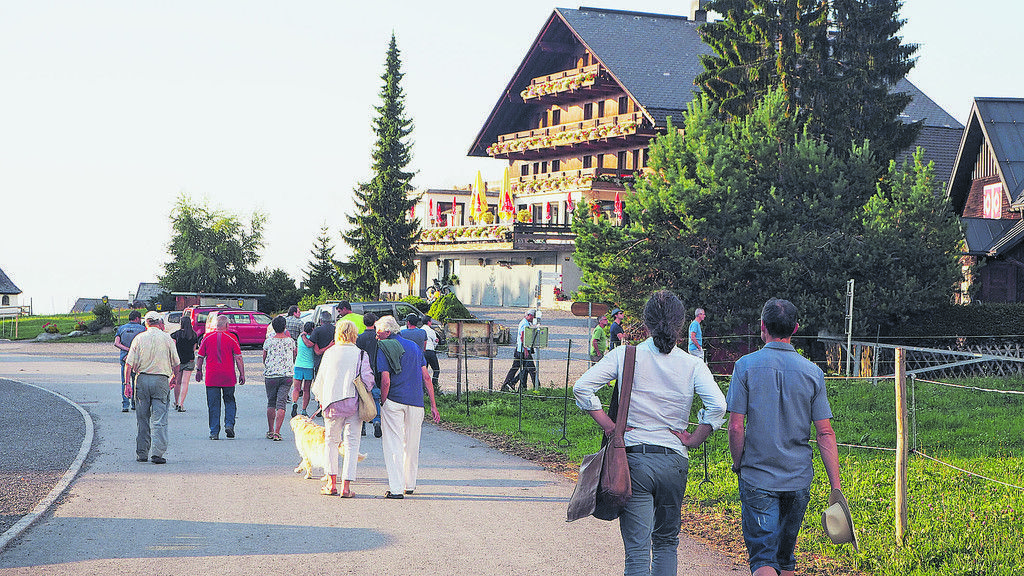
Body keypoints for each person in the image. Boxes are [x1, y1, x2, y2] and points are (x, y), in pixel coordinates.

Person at [574, 290, 726, 576]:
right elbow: (718, 405)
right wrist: (695, 438)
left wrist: (611, 426)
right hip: (674, 462)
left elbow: (582, 388)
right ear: (681, 327)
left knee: (638, 551)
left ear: (644, 326)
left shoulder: (625, 355)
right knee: (667, 543)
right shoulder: (692, 364)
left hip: (634, 462)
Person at [727, 298, 843, 576]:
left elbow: (735, 427)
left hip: (758, 476)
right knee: (785, 558)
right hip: (798, 478)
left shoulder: (744, 366)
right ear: (796, 328)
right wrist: (835, 487)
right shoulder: (813, 372)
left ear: (762, 327)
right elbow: (825, 432)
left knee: (763, 559)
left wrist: (738, 462)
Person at [375, 315, 440, 499]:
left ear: (387, 332)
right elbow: (426, 377)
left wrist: (383, 400)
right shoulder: (414, 346)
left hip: (395, 399)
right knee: (411, 444)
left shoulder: (385, 347)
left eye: (379, 331)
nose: (377, 334)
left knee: (393, 443)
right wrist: (433, 405)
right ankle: (409, 484)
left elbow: (385, 380)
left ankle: (395, 488)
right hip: (416, 401)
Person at [311, 320, 374, 497]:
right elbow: (368, 380)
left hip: (331, 404)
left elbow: (320, 380)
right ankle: (346, 487)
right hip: (353, 403)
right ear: (354, 334)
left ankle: (331, 484)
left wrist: (321, 399)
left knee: (331, 442)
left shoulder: (329, 353)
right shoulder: (361, 354)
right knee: (352, 443)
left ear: (337, 333)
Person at [124, 311, 181, 464]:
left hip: (142, 379)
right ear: (159, 323)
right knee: (159, 418)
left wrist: (127, 384)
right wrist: (174, 377)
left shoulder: (139, 338)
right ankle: (157, 453)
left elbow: (129, 364)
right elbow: (176, 363)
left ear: (146, 323)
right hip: (161, 380)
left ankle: (142, 453)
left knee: (142, 418)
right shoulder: (167, 338)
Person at [196, 314, 245, 440]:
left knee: (213, 404)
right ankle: (229, 424)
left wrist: (198, 370)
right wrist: (242, 374)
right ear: (227, 325)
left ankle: (214, 431)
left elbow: (200, 357)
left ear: (216, 326)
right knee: (229, 400)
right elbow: (238, 358)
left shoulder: (207, 337)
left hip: (212, 377)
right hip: (228, 377)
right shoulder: (232, 338)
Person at [263, 315, 296, 441]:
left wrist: (268, 365)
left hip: (271, 375)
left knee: (271, 402)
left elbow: (264, 356)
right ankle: (277, 432)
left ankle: (270, 430)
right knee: (281, 403)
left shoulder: (269, 341)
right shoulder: (290, 341)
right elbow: (294, 354)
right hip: (286, 374)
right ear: (284, 327)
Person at [114, 310, 147, 412]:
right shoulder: (142, 329)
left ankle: (125, 405)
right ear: (137, 318)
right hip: (137, 359)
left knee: (125, 381)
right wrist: (132, 351)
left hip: (124, 357)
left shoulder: (122, 328)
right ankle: (134, 404)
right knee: (136, 382)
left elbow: (116, 343)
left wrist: (127, 349)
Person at [356, 312, 383, 438]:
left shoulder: (359, 338)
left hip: (362, 370)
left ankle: (363, 425)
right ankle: (377, 421)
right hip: (377, 369)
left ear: (364, 323)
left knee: (362, 397)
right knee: (376, 397)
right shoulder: (378, 338)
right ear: (375, 322)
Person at [501, 309, 537, 392]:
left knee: (518, 368)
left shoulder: (525, 323)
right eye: (533, 316)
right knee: (530, 368)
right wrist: (526, 349)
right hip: (523, 350)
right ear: (529, 315)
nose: (533, 318)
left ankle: (515, 386)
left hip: (520, 349)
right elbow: (522, 336)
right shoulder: (524, 324)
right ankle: (534, 387)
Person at [307, 310, 336, 414]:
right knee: (331, 383)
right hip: (333, 361)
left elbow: (312, 345)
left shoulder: (317, 331)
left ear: (321, 320)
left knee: (320, 383)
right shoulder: (336, 329)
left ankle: (320, 405)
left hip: (320, 361)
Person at [169, 314, 199, 412]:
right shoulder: (194, 335)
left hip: (178, 361)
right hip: (189, 360)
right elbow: (194, 349)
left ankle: (176, 402)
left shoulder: (175, 334)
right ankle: (181, 404)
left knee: (178, 382)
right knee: (185, 382)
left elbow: (173, 348)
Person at [292, 321, 316, 418]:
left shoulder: (300, 338)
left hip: (298, 365)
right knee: (306, 390)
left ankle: (294, 403)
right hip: (309, 366)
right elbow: (310, 345)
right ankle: (304, 409)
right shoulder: (312, 340)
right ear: (312, 329)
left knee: (296, 388)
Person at [422, 316, 441, 391]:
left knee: (424, 370)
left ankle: (423, 387)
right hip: (430, 351)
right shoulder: (431, 331)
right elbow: (435, 341)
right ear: (428, 322)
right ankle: (434, 386)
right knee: (436, 369)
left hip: (423, 352)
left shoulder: (420, 330)